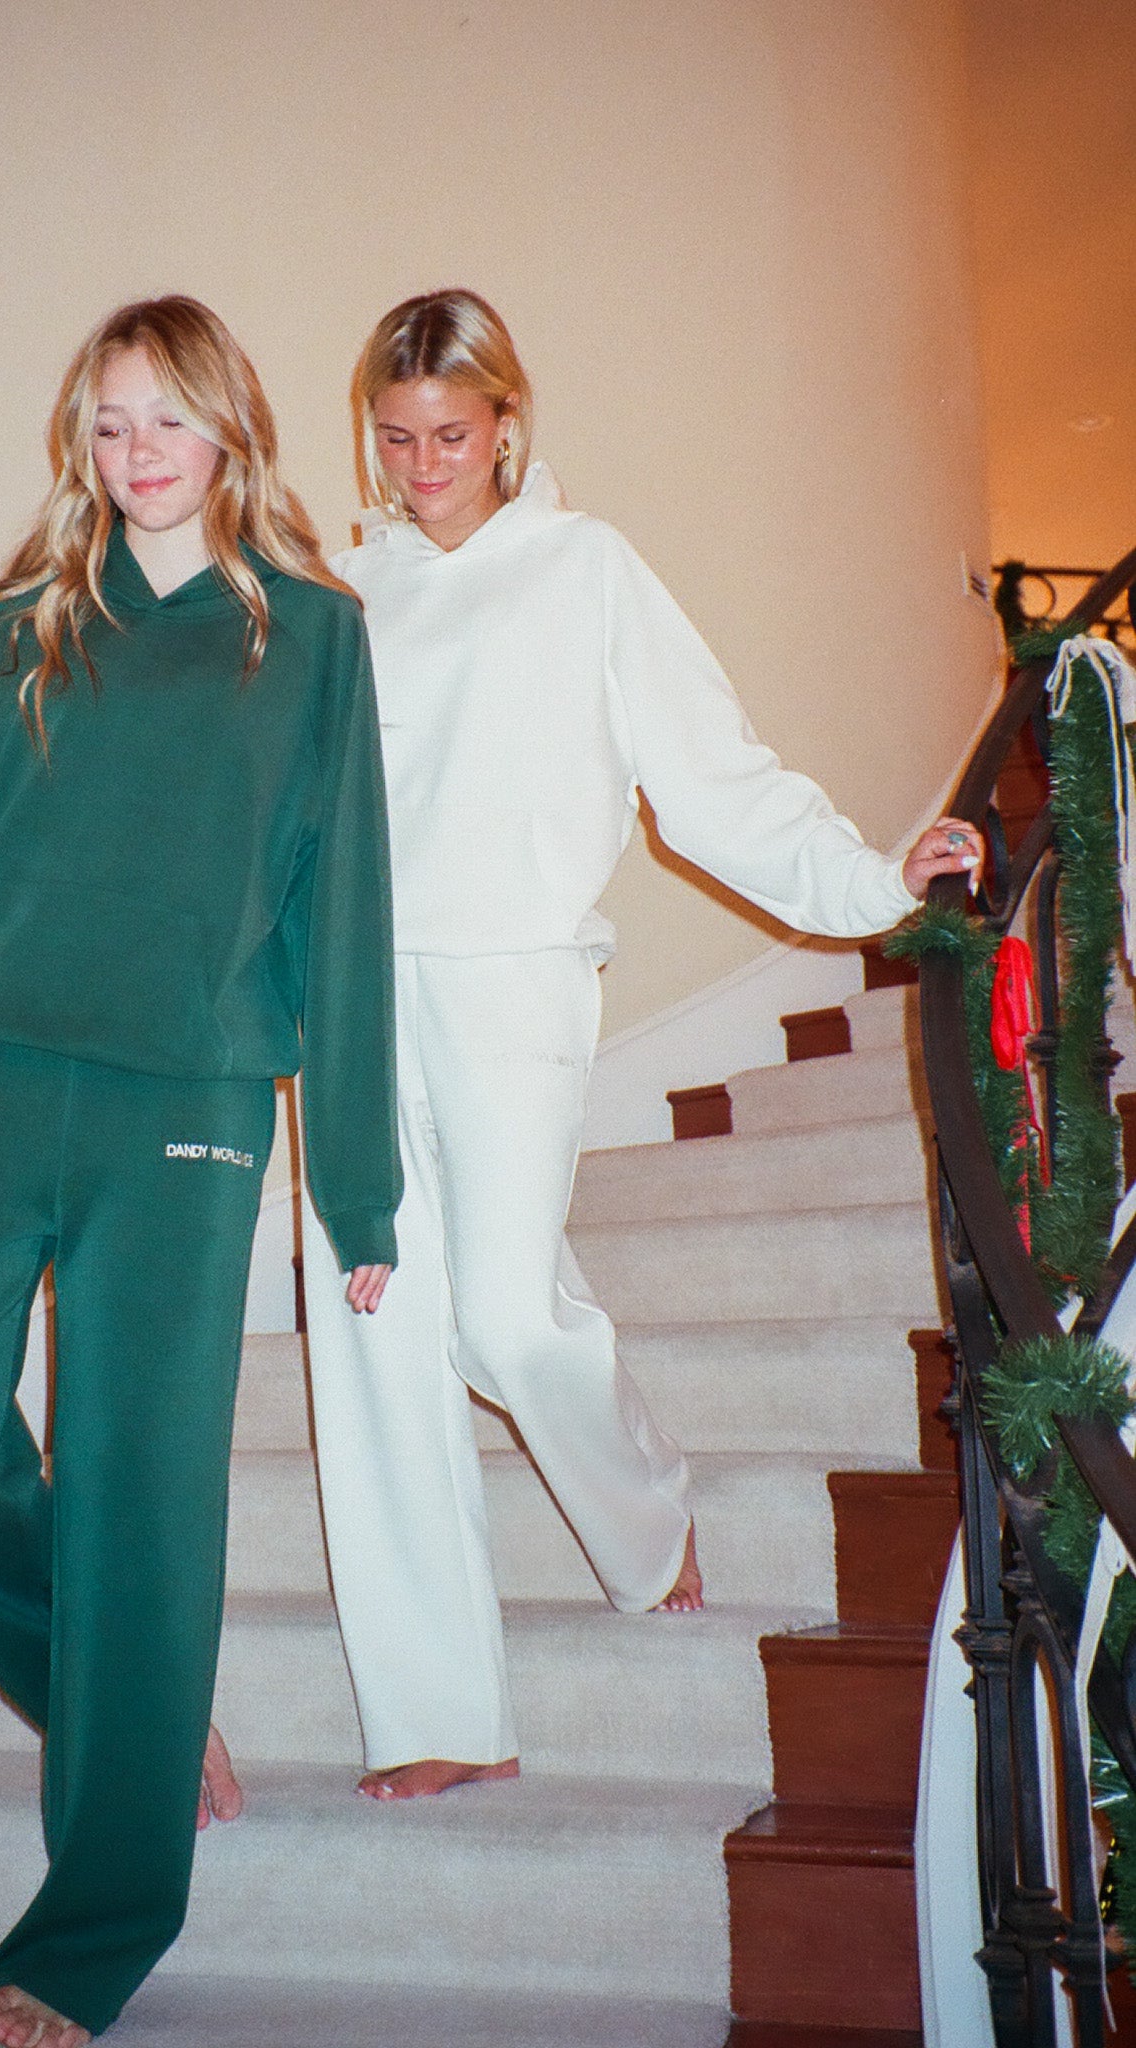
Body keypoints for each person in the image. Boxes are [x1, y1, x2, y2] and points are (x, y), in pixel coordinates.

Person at [0, 296, 400, 2046]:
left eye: (169, 419)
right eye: (111, 422)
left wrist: (355, 1179)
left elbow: (346, 908)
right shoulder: (1, 633)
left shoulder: (313, 640)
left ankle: (91, 1933)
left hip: (182, 1110)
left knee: (140, 1487)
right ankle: (125, 1708)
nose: (140, 453)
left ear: (231, 431)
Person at [302, 287, 982, 1804]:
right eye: (397, 438)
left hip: (515, 982)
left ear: (507, 426)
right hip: (344, 996)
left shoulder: (585, 569)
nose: (423, 466)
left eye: (452, 435)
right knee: (371, 1342)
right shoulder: (344, 594)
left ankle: (644, 1514)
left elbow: (712, 778)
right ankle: (433, 1714)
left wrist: (875, 882)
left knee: (502, 1318)